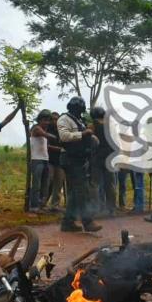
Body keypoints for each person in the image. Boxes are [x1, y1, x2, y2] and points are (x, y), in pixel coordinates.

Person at [57, 96, 102, 232]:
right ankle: (87, 221)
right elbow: (64, 136)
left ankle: (68, 222)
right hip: (70, 158)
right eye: (78, 109)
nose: (79, 112)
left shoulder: (79, 120)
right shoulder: (64, 119)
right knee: (82, 190)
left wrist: (91, 137)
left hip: (80, 159)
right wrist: (82, 134)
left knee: (76, 192)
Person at [90, 106, 116, 216]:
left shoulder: (92, 126)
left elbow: (90, 141)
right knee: (110, 184)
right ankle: (111, 209)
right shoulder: (111, 127)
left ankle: (95, 209)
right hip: (110, 158)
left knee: (94, 184)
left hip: (97, 158)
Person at [29, 110, 52, 212]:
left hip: (45, 160)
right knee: (37, 184)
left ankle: (41, 205)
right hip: (36, 160)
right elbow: (44, 134)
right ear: (39, 120)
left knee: (44, 184)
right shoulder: (36, 128)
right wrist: (57, 137)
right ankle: (34, 206)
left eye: (48, 120)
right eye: (44, 120)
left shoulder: (44, 131)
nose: (46, 122)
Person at [44, 111, 65, 211]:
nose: (54, 121)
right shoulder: (47, 130)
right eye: (52, 119)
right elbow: (46, 146)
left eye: (56, 119)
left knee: (59, 183)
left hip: (60, 161)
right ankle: (42, 203)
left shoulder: (61, 131)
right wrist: (59, 149)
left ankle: (55, 205)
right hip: (49, 160)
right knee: (47, 182)